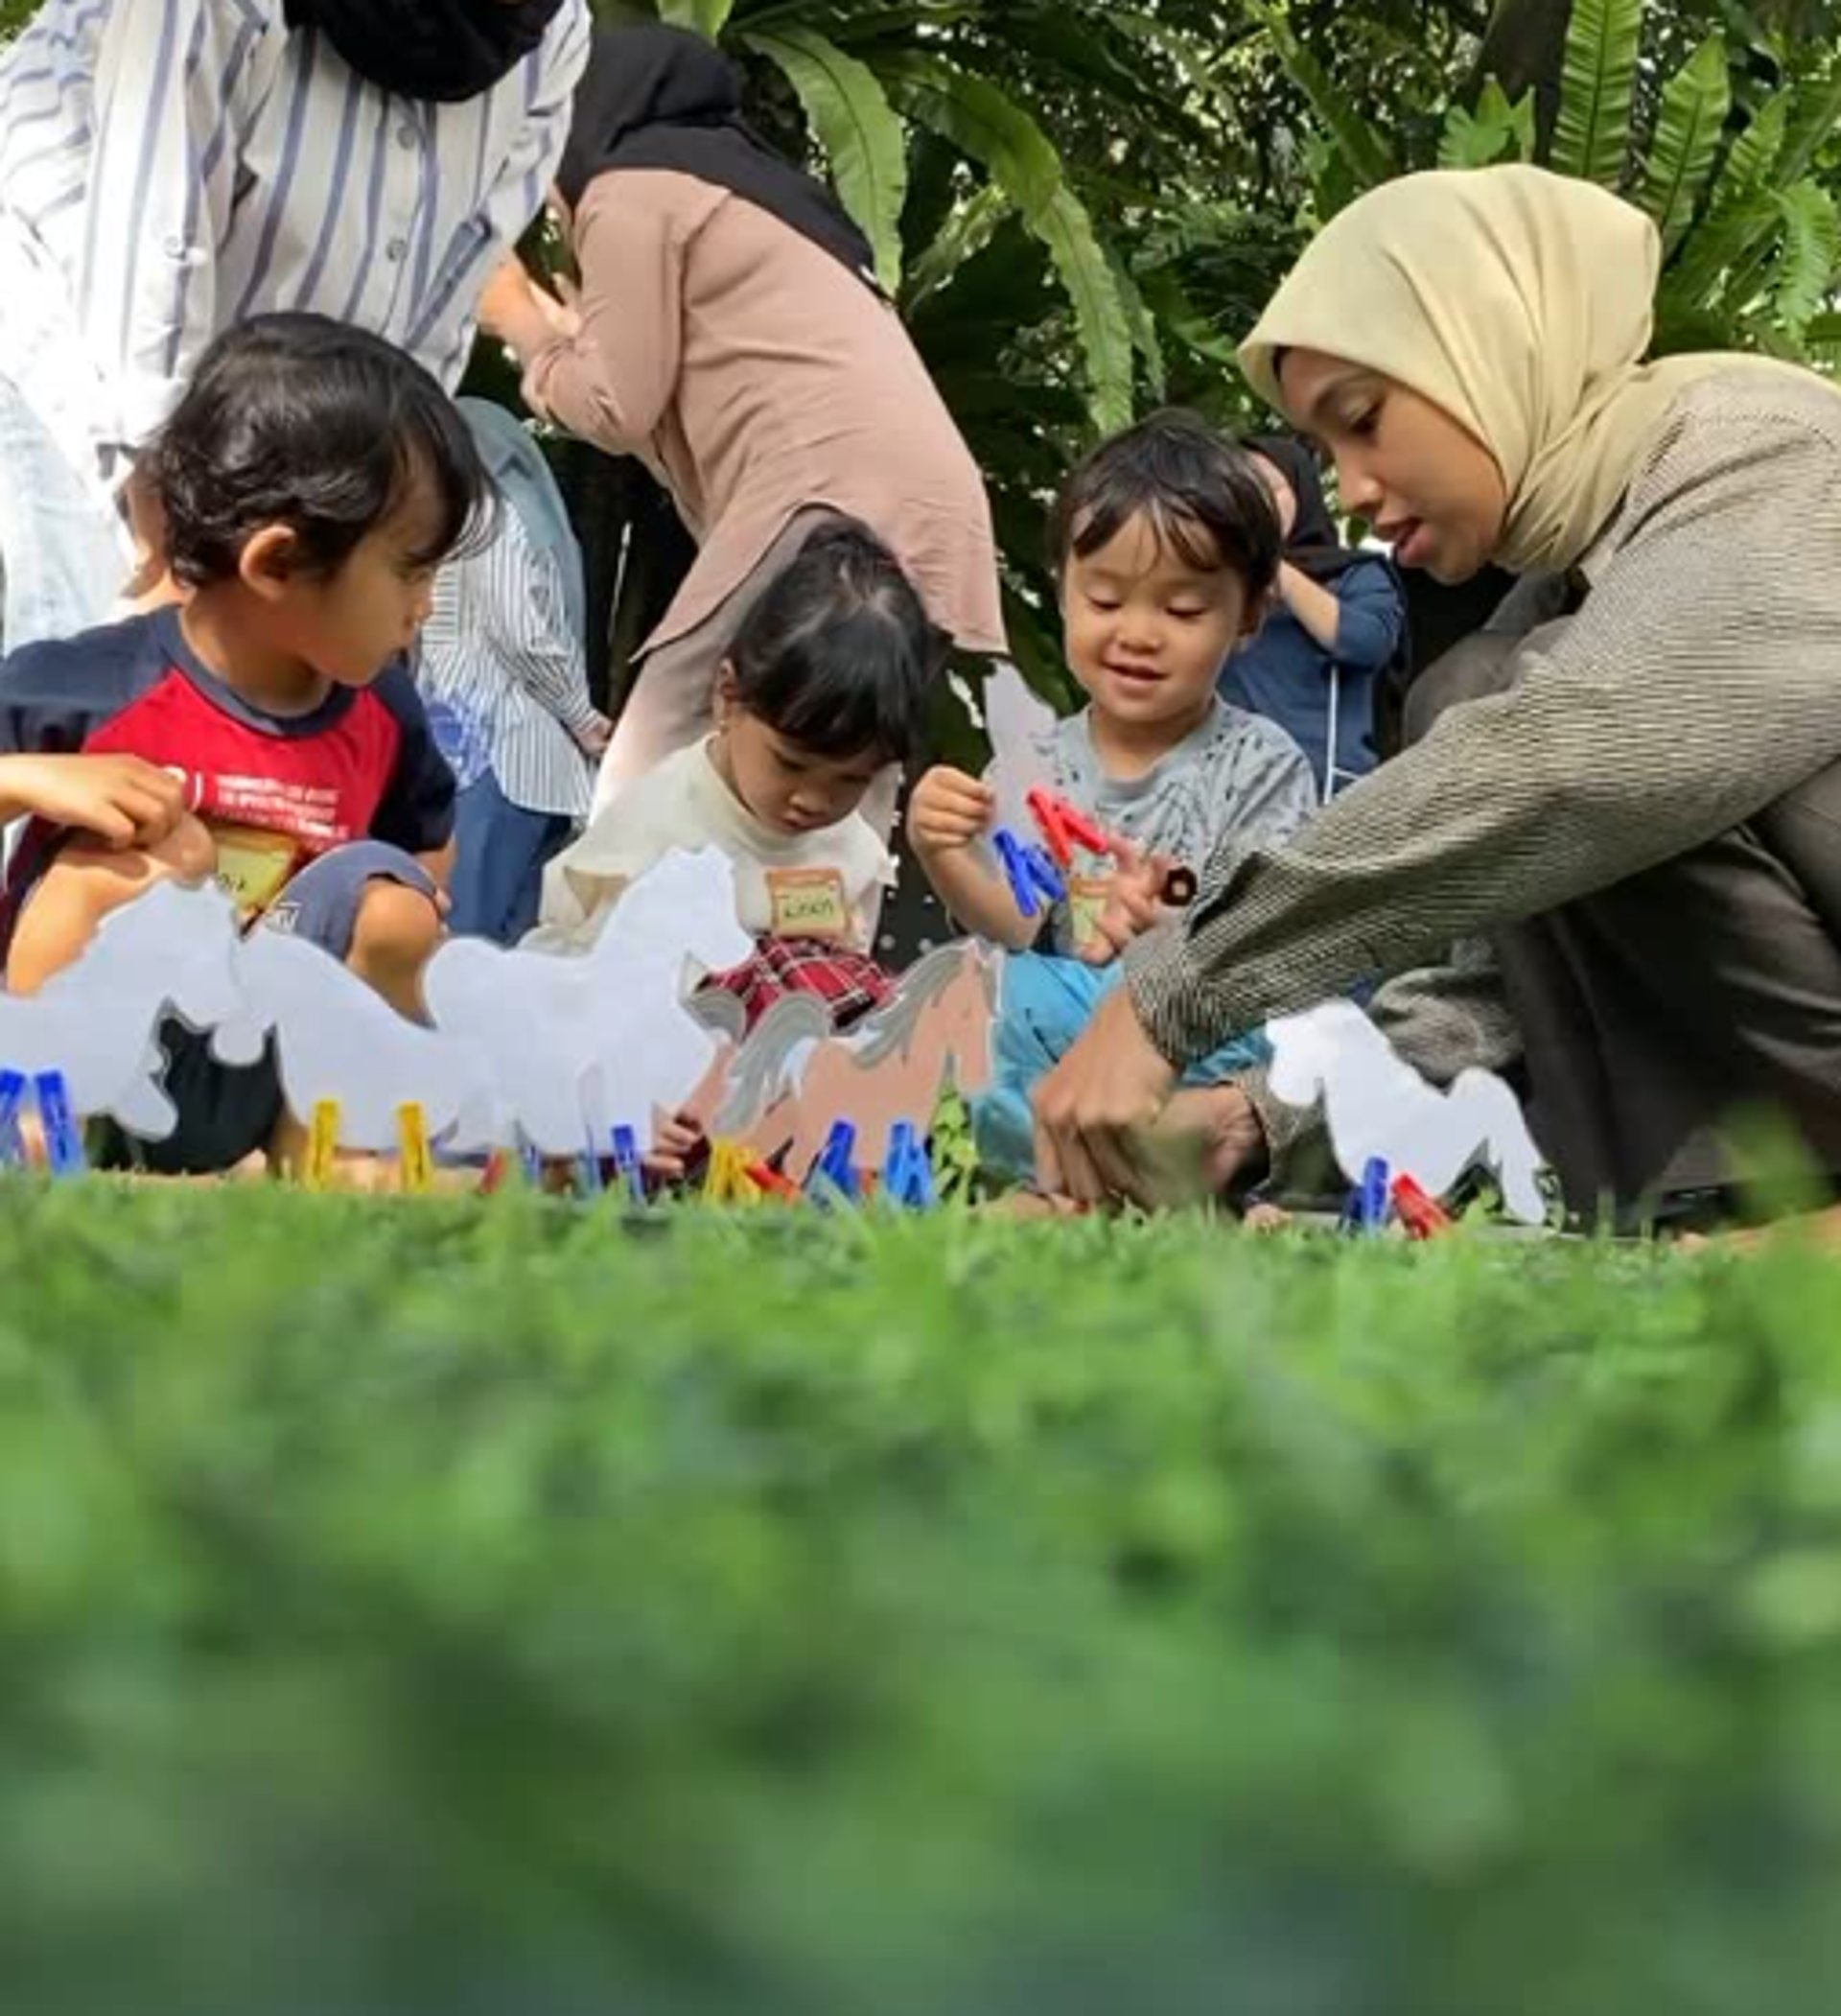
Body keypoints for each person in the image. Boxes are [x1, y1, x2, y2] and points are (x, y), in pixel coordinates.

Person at [1029, 163, 1841, 1228]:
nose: (1354, 490)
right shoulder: (1572, 581)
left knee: (1499, 709)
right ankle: (1744, 1207)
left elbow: (1568, 765)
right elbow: (1485, 990)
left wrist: (1173, 989)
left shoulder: (1774, 461)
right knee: (1477, 697)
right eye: (1327, 450)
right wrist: (1253, 1120)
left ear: (1490, 345)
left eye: (1364, 419)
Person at [478, 21, 1006, 821]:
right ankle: (838, 911)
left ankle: (604, 899)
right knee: (851, 756)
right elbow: (674, 393)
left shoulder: (628, 188)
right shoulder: (757, 198)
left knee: (659, 745)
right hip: (937, 513)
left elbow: (613, 407)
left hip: (821, 487)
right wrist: (563, 338)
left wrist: (517, 316)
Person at [0, 314, 487, 1175]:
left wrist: (393, 920)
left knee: (392, 903)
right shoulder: (97, 687)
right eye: (409, 571)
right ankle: (36, 1123)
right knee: (145, 860)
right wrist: (32, 778)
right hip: (106, 1040)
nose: (426, 606)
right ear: (276, 564)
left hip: (258, 1047)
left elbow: (425, 854)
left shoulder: (384, 715)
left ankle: (317, 1152)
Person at [0, 0, 589, 650]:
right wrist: (167, 538)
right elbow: (150, 233)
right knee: (110, 653)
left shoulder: (555, 32)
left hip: (285, 394)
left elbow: (446, 294)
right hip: (88, 309)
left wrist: (374, 509)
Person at [905, 411, 1318, 1177]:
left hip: (1189, 1031)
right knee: (982, 991)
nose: (1138, 633)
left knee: (1299, 1042)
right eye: (1105, 600)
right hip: (1053, 1027)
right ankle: (1057, 1167)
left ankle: (1148, 1162)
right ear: (1064, 592)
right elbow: (1016, 920)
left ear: (1249, 615)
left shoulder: (1261, 764)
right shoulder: (1032, 765)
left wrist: (1171, 927)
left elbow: (1268, 942)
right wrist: (942, 851)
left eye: (1183, 610)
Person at [533, 519, 940, 1035]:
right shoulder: (659, 830)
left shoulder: (846, 843)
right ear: (728, 696)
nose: (814, 800)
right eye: (791, 763)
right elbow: (580, 979)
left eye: (851, 780)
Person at [418, 398, 611, 945]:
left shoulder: (462, 512)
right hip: (514, 756)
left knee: (461, 932)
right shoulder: (495, 511)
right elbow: (525, 631)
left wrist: (577, 715)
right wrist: (580, 715)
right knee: (496, 940)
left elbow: (514, 630)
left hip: (475, 749)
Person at [1218, 435, 1407, 801]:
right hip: (1228, 787)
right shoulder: (1214, 581)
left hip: (1327, 790)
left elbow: (1369, 642)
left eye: (1269, 490)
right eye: (1239, 494)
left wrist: (1280, 574)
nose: (1255, 506)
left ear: (1301, 491)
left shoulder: (1355, 574)